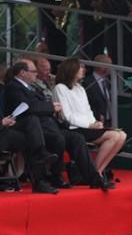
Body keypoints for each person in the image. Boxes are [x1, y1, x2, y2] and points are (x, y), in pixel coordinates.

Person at [4, 59, 98, 189]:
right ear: (22, 73)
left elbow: (38, 105)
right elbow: (29, 107)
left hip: (46, 125)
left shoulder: (32, 87)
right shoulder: (13, 87)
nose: (36, 74)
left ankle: (93, 178)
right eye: (33, 71)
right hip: (28, 127)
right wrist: (50, 107)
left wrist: (51, 110)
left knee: (77, 138)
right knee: (57, 138)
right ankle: (53, 176)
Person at [52, 58, 125, 187]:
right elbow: (67, 116)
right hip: (73, 128)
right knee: (114, 135)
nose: (83, 69)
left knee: (122, 135)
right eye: (80, 67)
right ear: (71, 69)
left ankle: (97, 172)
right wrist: (89, 125)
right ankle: (94, 174)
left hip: (88, 126)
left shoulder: (80, 88)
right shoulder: (60, 88)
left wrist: (96, 123)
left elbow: (88, 110)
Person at [0, 115, 58, 194]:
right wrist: (2, 122)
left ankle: (41, 152)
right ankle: (39, 181)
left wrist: (7, 121)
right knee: (30, 139)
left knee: (32, 121)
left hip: (4, 130)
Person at [84, 54, 113, 126]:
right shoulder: (88, 82)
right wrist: (97, 115)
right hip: (96, 120)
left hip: (109, 120)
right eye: (109, 64)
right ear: (101, 66)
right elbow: (87, 102)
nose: (111, 67)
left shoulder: (108, 82)